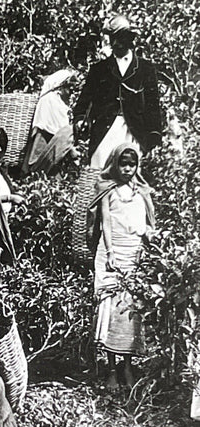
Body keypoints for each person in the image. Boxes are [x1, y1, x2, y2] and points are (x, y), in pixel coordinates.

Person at [86, 143, 156, 390]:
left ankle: (127, 364)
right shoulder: (108, 189)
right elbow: (105, 223)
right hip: (111, 254)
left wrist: (149, 236)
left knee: (130, 311)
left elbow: (147, 223)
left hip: (134, 254)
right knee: (110, 309)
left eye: (132, 164)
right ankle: (112, 367)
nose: (127, 169)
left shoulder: (141, 191)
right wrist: (111, 254)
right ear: (115, 164)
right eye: (123, 164)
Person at [73, 14, 162, 169]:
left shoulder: (145, 68)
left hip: (134, 131)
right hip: (105, 130)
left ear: (130, 39)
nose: (116, 43)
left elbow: (152, 106)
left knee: (130, 174)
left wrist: (153, 139)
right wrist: (80, 119)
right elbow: (84, 101)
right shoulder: (99, 69)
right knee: (99, 171)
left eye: (121, 38)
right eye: (113, 38)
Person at [22, 69, 80, 176]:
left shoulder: (60, 102)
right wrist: (72, 151)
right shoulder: (51, 100)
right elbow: (59, 132)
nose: (72, 90)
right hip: (45, 145)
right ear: (60, 86)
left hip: (53, 149)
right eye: (69, 86)